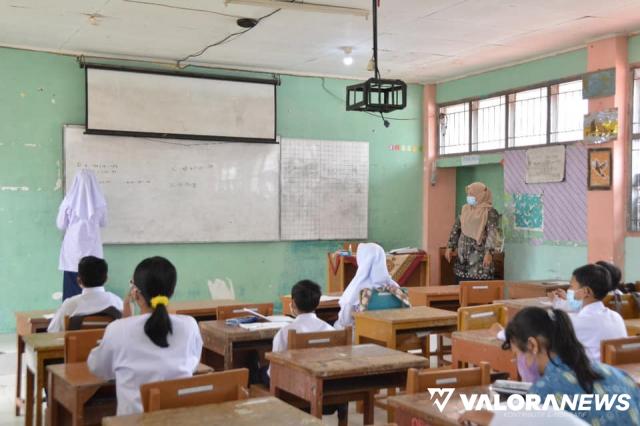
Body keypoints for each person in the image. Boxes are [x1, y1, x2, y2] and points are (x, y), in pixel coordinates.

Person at [87, 257, 202, 415]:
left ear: (135, 293)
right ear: (172, 292)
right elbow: (193, 365)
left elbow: (98, 368)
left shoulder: (117, 329)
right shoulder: (190, 325)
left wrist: (124, 325)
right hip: (178, 419)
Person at [501, 307, 640, 425]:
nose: (518, 361)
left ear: (532, 345)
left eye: (517, 354)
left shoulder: (545, 391)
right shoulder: (620, 375)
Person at [551, 264, 627, 361]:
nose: (569, 290)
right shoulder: (616, 317)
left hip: (591, 374)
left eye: (571, 286)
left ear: (586, 291)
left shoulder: (572, 322)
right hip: (616, 372)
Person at [57, 170, 107, 300]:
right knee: (94, 291)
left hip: (72, 253)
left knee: (72, 294)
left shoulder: (68, 201)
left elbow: (60, 224)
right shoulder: (100, 203)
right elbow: (104, 222)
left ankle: (71, 318)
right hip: (93, 253)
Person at [335, 243, 404, 329]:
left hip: (362, 334)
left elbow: (345, 321)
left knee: (337, 326)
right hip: (390, 332)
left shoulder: (357, 287)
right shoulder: (393, 286)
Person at [47, 256, 122, 332]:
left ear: (79, 280)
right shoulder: (117, 302)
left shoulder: (70, 305)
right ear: (106, 279)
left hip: (78, 344)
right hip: (109, 344)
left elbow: (52, 331)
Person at [445, 182, 501, 283]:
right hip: (462, 258)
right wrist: (450, 246)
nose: (468, 197)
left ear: (480, 195)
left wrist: (489, 253)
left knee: (476, 293)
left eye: (471, 194)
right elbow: (456, 228)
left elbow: (492, 234)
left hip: (479, 258)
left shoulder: (490, 212)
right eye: (468, 194)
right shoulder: (465, 210)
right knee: (460, 291)